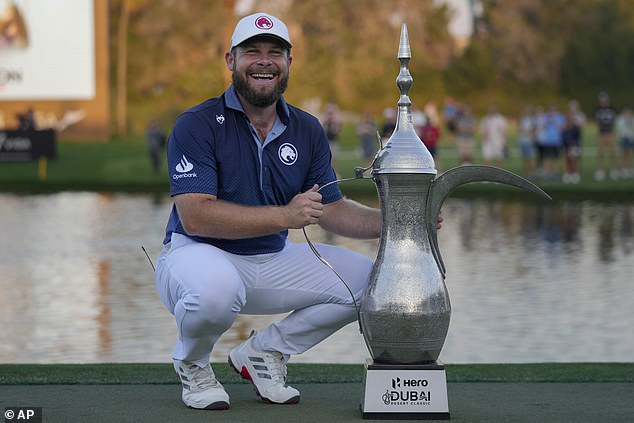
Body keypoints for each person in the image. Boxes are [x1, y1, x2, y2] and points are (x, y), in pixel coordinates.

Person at [155, 12, 442, 411]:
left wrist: (404, 224)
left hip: (270, 257)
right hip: (196, 254)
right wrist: (285, 217)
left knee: (372, 284)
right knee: (216, 290)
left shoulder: (306, 129)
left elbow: (333, 210)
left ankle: (264, 353)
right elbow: (197, 217)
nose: (264, 61)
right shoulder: (197, 124)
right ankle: (193, 363)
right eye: (251, 51)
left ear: (289, 62)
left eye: (275, 52)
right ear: (230, 60)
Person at [593, 92, 618, 181]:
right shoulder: (597, 109)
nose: (603, 102)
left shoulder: (612, 109)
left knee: (612, 152)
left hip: (610, 132)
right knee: (601, 153)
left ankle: (614, 170)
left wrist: (613, 133)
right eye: (601, 100)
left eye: (604, 100)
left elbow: (614, 121)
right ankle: (600, 170)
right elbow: (597, 122)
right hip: (601, 133)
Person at [320, 100, 342, 171]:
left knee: (335, 157)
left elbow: (336, 131)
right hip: (326, 141)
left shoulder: (335, 121)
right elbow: (323, 131)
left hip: (333, 140)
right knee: (326, 157)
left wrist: (333, 123)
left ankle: (335, 171)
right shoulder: (324, 120)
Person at [561, 111, 582, 183]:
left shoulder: (576, 127)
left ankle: (575, 174)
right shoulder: (564, 128)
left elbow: (578, 138)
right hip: (566, 146)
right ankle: (567, 174)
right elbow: (563, 138)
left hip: (574, 146)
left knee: (574, 160)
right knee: (567, 160)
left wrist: (574, 145)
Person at [615, 106, 634, 179]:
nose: (628, 114)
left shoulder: (632, 119)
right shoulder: (620, 120)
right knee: (625, 154)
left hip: (632, 138)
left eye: (629, 112)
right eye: (626, 112)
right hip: (624, 138)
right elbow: (621, 130)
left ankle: (631, 169)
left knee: (632, 154)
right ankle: (624, 169)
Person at [517, 105, 537, 176]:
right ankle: (526, 173)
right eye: (525, 111)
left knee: (531, 158)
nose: (526, 112)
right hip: (522, 141)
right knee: (524, 158)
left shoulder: (532, 120)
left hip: (530, 141)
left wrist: (527, 132)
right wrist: (525, 132)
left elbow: (533, 130)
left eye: (528, 111)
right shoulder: (521, 120)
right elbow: (519, 130)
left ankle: (532, 173)